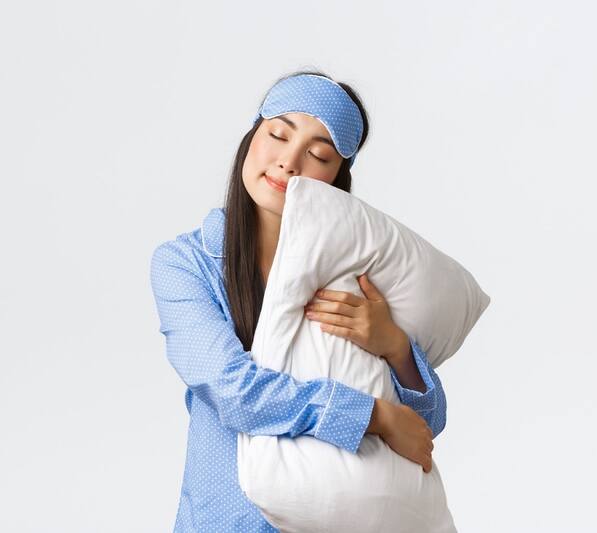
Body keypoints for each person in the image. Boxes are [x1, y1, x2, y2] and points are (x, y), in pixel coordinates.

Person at [150, 70, 448, 532]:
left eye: (318, 155)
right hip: (229, 520)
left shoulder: (354, 274)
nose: (289, 162)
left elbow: (425, 428)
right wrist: (372, 416)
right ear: (252, 138)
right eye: (278, 135)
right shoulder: (187, 264)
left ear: (335, 178)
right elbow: (231, 389)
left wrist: (394, 345)